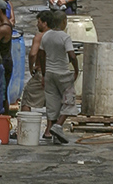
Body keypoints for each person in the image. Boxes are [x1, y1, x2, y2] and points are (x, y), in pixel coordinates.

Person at [38, 10, 80, 142]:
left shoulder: (45, 36)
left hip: (49, 73)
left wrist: (44, 74)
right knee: (69, 101)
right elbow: (72, 55)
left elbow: (41, 55)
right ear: (63, 22)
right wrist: (76, 70)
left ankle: (49, 132)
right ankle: (58, 125)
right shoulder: (64, 37)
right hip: (62, 73)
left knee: (52, 103)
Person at [20, 10, 53, 111]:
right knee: (53, 103)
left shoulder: (39, 37)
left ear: (45, 23)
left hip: (42, 72)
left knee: (27, 97)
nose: (37, 24)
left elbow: (33, 54)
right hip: (55, 73)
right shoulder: (58, 36)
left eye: (38, 22)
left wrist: (31, 68)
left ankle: (25, 124)